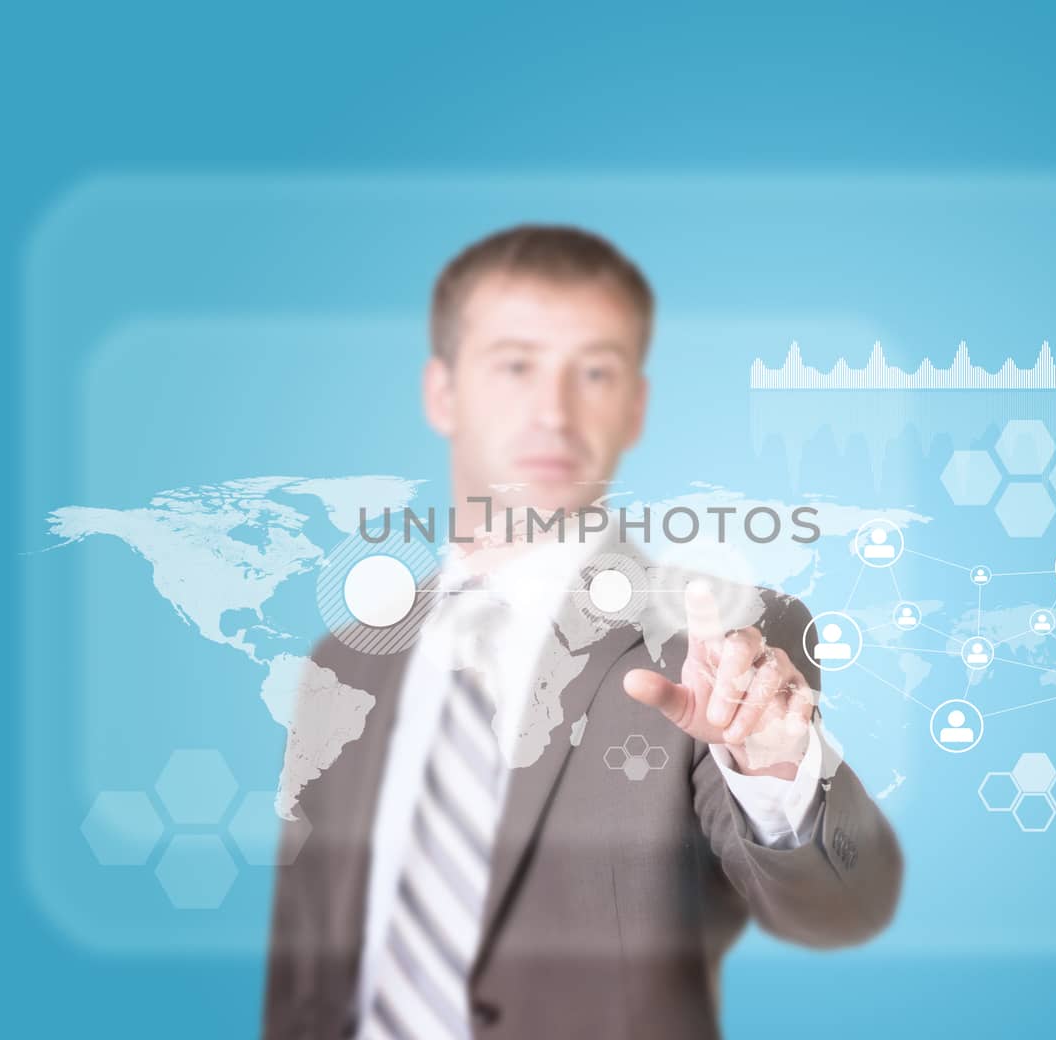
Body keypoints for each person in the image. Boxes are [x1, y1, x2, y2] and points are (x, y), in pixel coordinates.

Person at [262, 225, 903, 1040]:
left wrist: (773, 764)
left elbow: (841, 908)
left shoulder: (720, 637)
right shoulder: (345, 665)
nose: (552, 412)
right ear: (442, 392)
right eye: (515, 365)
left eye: (594, 371)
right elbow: (306, 981)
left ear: (634, 406)